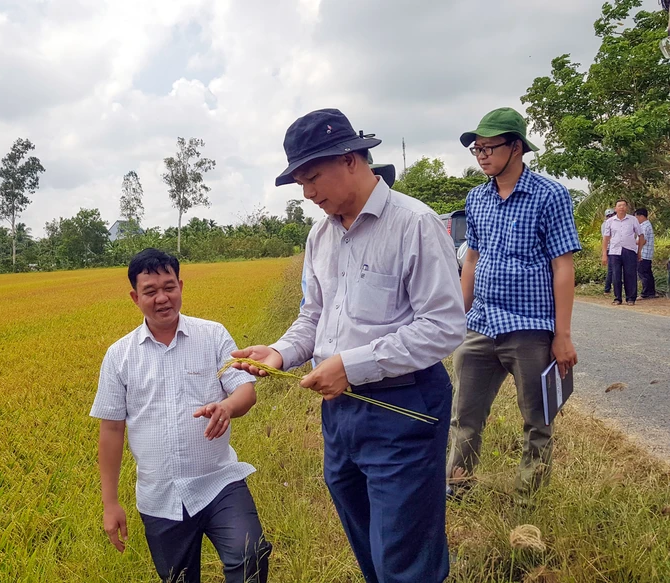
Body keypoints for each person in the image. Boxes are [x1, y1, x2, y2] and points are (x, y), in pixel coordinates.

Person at [234, 108, 465, 583]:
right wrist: (279, 352)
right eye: (300, 182)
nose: (308, 193)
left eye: (313, 177)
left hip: (405, 406)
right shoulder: (320, 235)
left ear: (352, 159)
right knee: (370, 550)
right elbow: (314, 316)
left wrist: (353, 365)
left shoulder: (413, 224)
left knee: (406, 559)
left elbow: (444, 326)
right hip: (340, 415)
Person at [90, 248, 271, 583]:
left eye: (169, 287)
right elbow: (112, 430)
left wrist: (227, 407)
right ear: (135, 297)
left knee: (250, 554)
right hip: (161, 495)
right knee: (178, 578)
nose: (162, 298)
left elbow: (245, 392)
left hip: (219, 482)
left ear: (181, 286)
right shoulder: (119, 356)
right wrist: (110, 504)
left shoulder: (212, 335)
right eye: (151, 291)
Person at [446, 107, 581, 499]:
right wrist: (457, 316)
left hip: (530, 328)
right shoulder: (477, 198)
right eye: (477, 149)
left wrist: (562, 335)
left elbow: (563, 266)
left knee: (537, 422)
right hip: (481, 324)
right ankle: (459, 488)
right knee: (464, 416)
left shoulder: (550, 195)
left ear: (516, 147)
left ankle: (528, 501)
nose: (483, 155)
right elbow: (471, 258)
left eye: (490, 147)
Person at [602, 199, 644, 306]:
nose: (622, 207)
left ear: (627, 208)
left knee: (630, 274)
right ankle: (617, 298)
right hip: (614, 251)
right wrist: (604, 254)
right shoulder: (610, 221)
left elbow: (641, 235)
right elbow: (606, 238)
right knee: (616, 275)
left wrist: (639, 252)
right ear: (615, 208)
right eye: (619, 205)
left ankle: (631, 298)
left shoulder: (633, 220)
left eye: (624, 205)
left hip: (629, 250)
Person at [634, 208, 656, 299]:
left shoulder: (644, 226)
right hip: (647, 253)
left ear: (641, 216)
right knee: (647, 273)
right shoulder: (647, 225)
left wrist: (631, 242)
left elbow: (643, 241)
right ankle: (651, 292)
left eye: (636, 217)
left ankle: (645, 293)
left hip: (643, 253)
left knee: (643, 273)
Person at [603, 208, 615, 295]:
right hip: (610, 248)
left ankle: (609, 288)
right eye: (609, 216)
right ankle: (607, 289)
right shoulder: (606, 224)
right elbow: (607, 238)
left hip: (612, 248)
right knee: (611, 269)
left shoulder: (609, 223)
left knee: (612, 269)